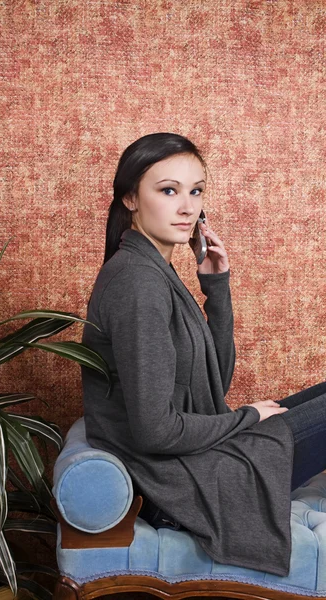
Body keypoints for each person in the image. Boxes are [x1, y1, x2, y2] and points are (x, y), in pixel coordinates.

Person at [80, 132, 326, 577]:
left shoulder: (155, 270)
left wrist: (216, 287)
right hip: (180, 484)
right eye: (168, 190)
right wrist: (248, 417)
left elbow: (215, 382)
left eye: (196, 191)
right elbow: (156, 432)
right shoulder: (139, 283)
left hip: (192, 459)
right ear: (131, 197)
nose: (187, 207)